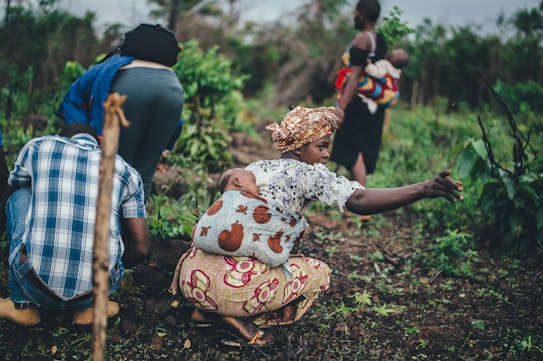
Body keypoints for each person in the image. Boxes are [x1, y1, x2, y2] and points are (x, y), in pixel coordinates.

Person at [169, 106, 463, 346]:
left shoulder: (253, 170)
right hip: (234, 289)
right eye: (321, 146)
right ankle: (242, 318)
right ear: (298, 147)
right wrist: (423, 189)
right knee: (319, 273)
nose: (325, 155)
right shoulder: (309, 174)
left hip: (192, 279)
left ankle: (206, 312)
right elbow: (358, 200)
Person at [0, 123, 151, 327]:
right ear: (98, 144)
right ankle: (89, 308)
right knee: (111, 209)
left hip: (32, 284)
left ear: (60, 138)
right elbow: (141, 248)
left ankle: (23, 305)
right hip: (95, 291)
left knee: (21, 194)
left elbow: (8, 197)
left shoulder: (38, 148)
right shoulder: (126, 171)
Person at [56, 23, 184, 201]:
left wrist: (86, 137)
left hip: (129, 88)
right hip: (173, 92)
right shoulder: (169, 73)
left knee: (116, 166)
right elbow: (176, 121)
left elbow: (72, 99)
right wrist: (165, 143)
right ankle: (134, 226)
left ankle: (105, 225)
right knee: (144, 174)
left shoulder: (107, 66)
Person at [191, 167, 304, 269]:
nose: (258, 186)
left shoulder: (220, 202)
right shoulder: (253, 202)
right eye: (253, 181)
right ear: (237, 181)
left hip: (204, 249)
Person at [331, 0, 389, 193]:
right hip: (374, 107)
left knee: (354, 152)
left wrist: (341, 107)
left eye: (355, 12)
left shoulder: (362, 39)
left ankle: (362, 201)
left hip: (358, 106)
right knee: (359, 153)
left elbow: (354, 76)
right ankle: (352, 203)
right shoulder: (380, 40)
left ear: (362, 14)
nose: (353, 16)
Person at [337, 48, 409, 114]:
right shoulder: (396, 70)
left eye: (395, 52)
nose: (392, 51)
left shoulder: (385, 64)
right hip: (392, 96)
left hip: (387, 95)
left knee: (359, 80)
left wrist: (368, 65)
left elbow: (376, 73)